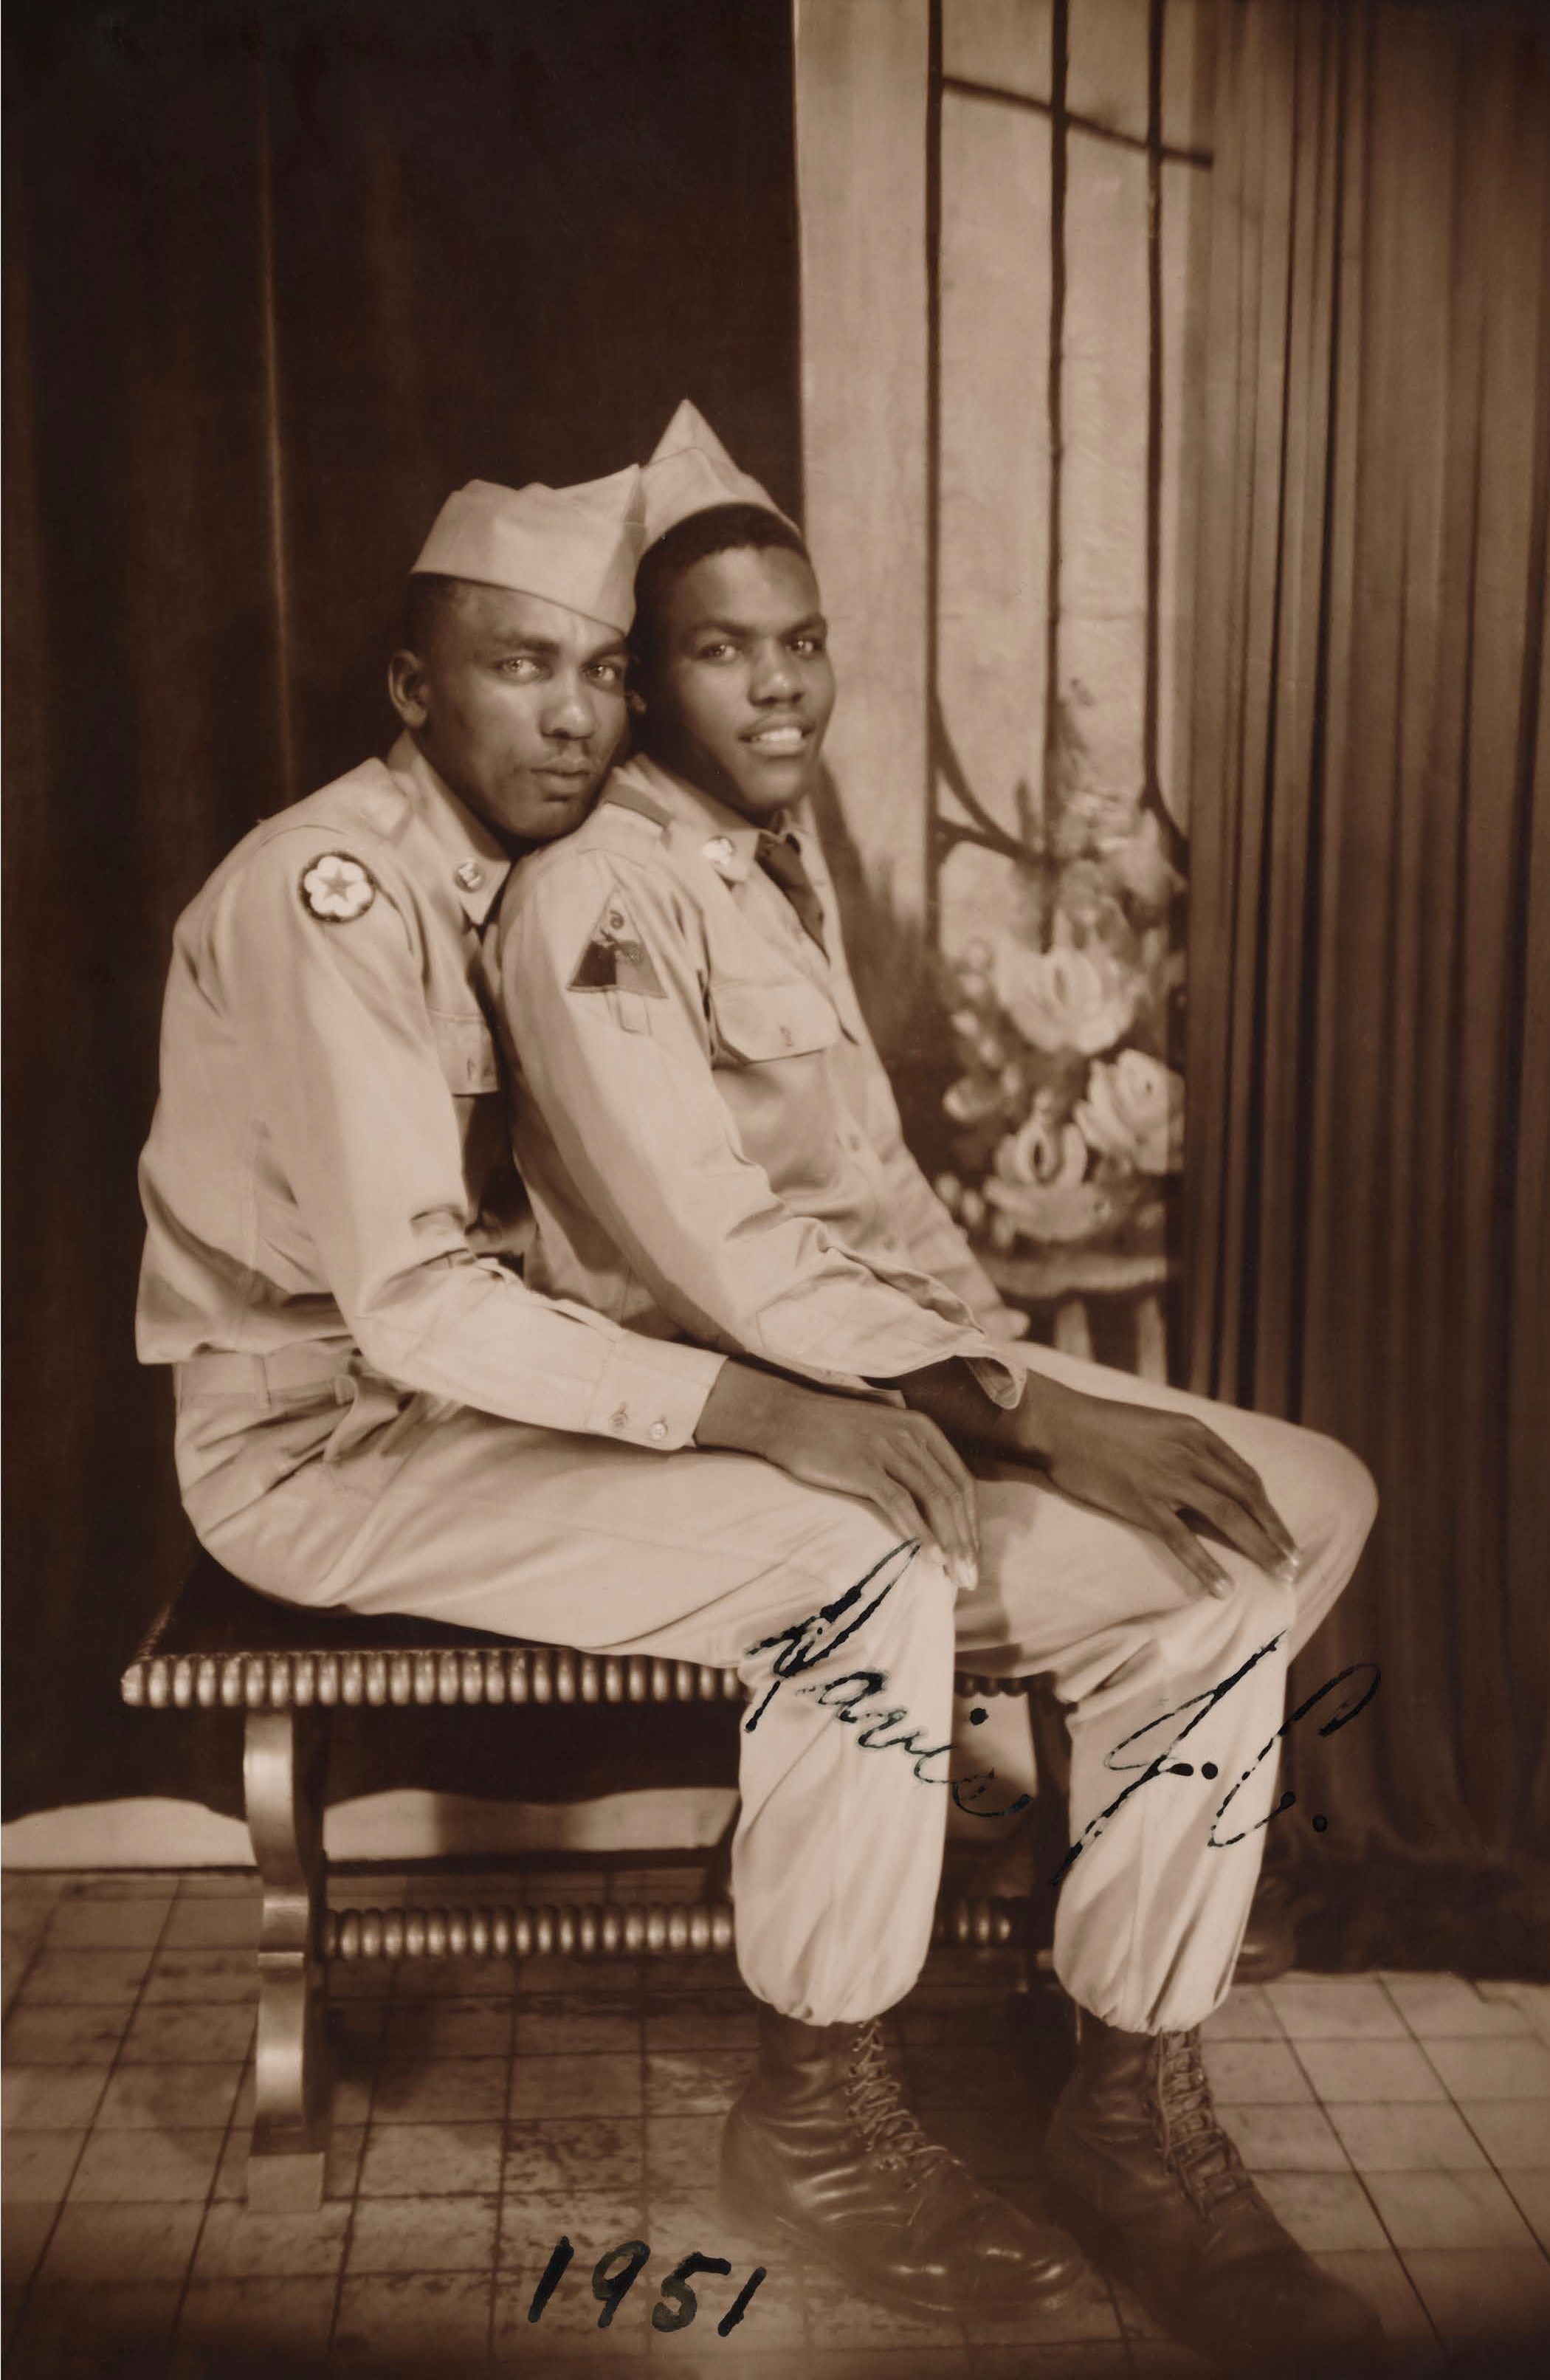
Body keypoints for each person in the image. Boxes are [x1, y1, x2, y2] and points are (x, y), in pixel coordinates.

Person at [136, 462, 1092, 2326]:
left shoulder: (519, 882)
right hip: (317, 1441)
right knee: (850, 1561)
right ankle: (816, 2127)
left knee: (870, 1527)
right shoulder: (333, 890)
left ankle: (847, 1906)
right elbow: (413, 1300)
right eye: (517, 669)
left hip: (463, 1409)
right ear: (415, 691)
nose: (572, 715)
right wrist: (758, 1409)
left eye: (595, 673)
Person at [491, 403, 1385, 2370]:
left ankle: (1120, 2077)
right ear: (641, 680)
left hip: (918, 1396)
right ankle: (844, 2106)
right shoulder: (591, 903)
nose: (782, 676)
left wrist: (1018, 1394)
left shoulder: (769, 868)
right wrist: (1050, 1417)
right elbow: (716, 1256)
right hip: (738, 1435)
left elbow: (883, 1220)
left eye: (799, 637)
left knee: (1279, 1515)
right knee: (1077, 1580)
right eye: (728, 647)